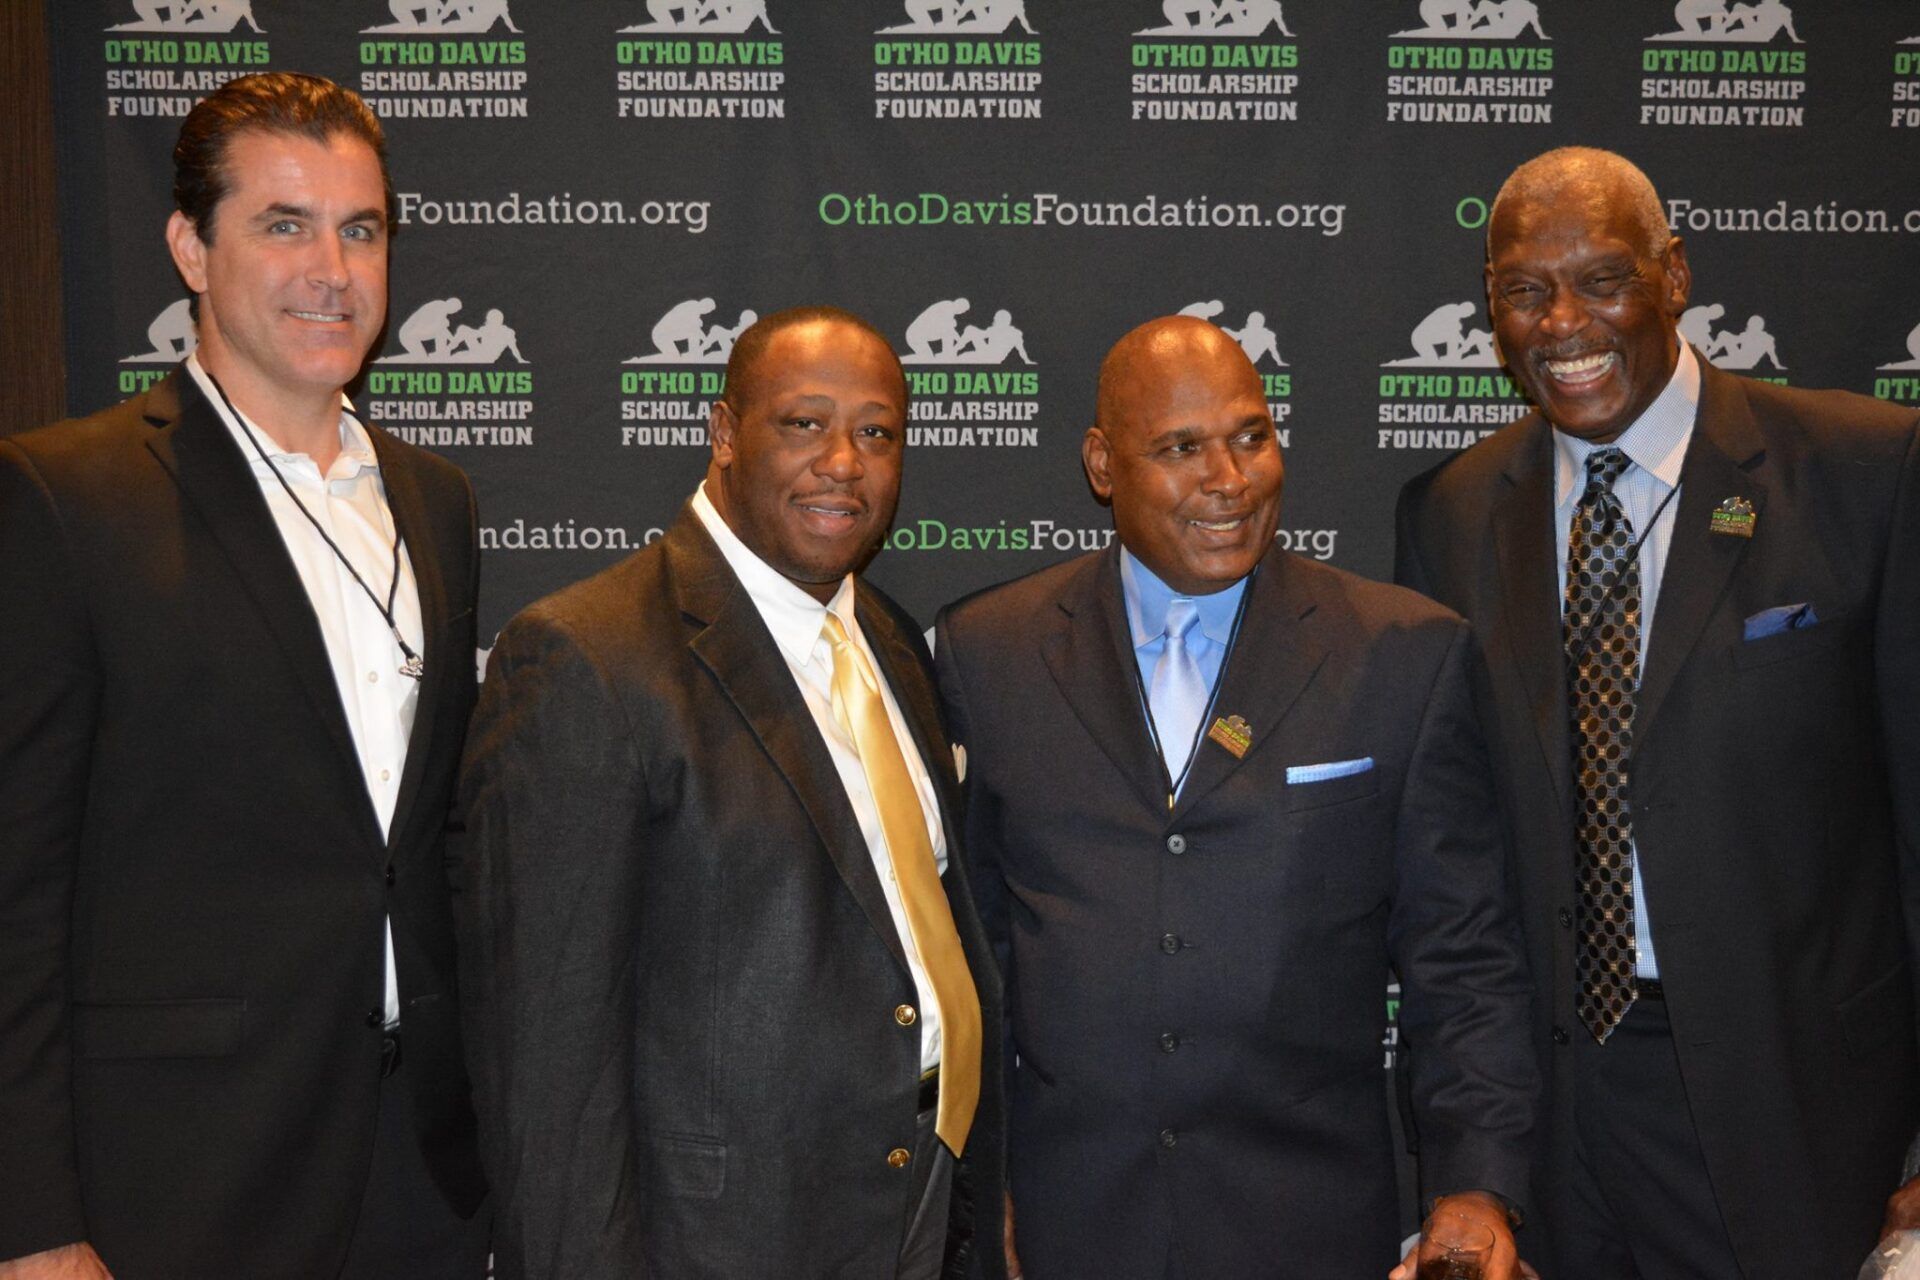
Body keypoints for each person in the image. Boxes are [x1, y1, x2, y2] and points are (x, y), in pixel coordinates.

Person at [1396, 145, 1920, 1280]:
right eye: (1525, 291)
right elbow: (1460, 873)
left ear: (1675, 276)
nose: (1562, 322)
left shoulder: (1864, 472)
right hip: (1555, 1116)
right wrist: (1478, 1154)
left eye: (1603, 279)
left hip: (1805, 1112)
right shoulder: (1447, 516)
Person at [0, 72, 487, 1279]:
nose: (333, 268)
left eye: (360, 229)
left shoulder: (434, 501)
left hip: (419, 1170)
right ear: (189, 247)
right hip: (176, 1180)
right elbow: (12, 891)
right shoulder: (67, 497)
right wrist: (31, 1224)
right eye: (284, 224)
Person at [936, 316, 1537, 1279]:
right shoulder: (989, 650)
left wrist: (1475, 1185)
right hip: (1070, 1224)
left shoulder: (1401, 654)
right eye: (1181, 448)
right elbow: (981, 960)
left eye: (1251, 436)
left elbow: (1463, 959)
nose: (1231, 478)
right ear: (1102, 463)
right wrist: (987, 1186)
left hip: (1312, 1225)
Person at [456, 306, 1006, 1280]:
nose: (845, 460)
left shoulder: (887, 639)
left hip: (921, 1196)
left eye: (877, 432)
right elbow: (549, 1070)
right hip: (722, 1237)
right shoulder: (588, 657)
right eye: (805, 422)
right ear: (722, 434)